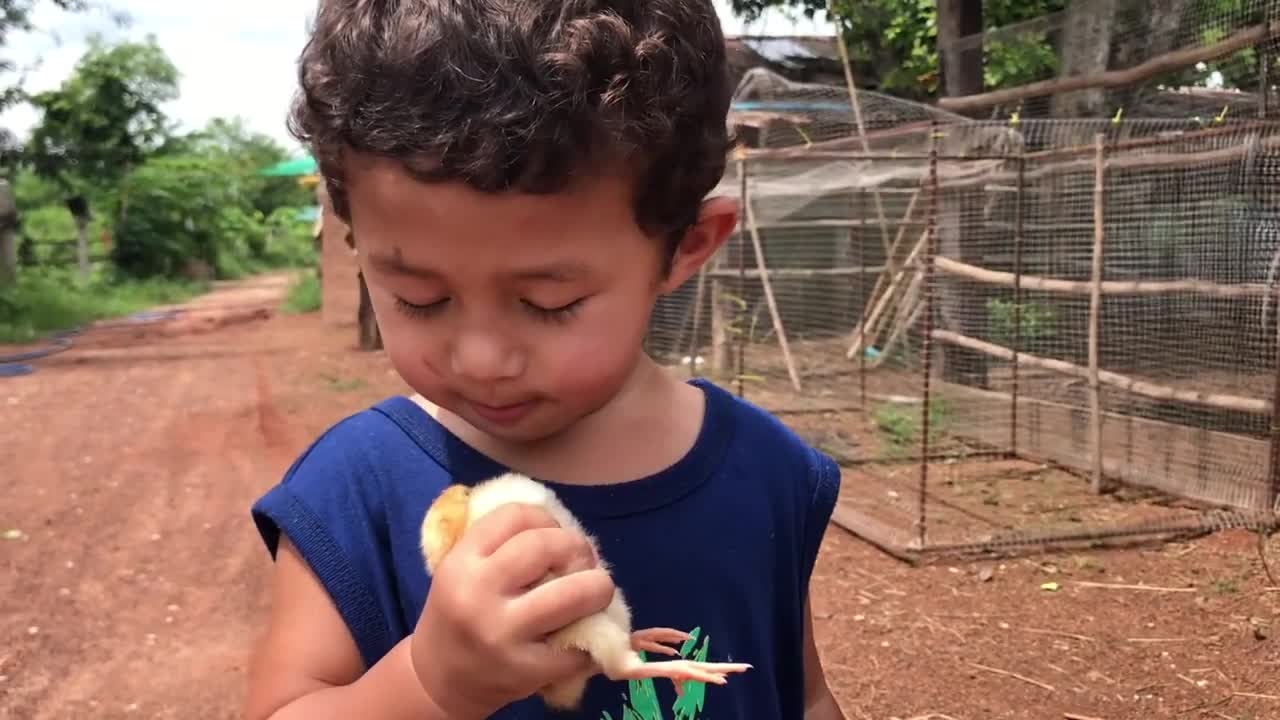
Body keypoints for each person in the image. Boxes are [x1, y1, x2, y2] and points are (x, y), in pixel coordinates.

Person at [243, 1, 846, 718]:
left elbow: (801, 695)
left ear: (686, 247)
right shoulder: (355, 489)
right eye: (417, 299)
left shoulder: (767, 472)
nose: (483, 360)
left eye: (550, 302)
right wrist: (429, 684)